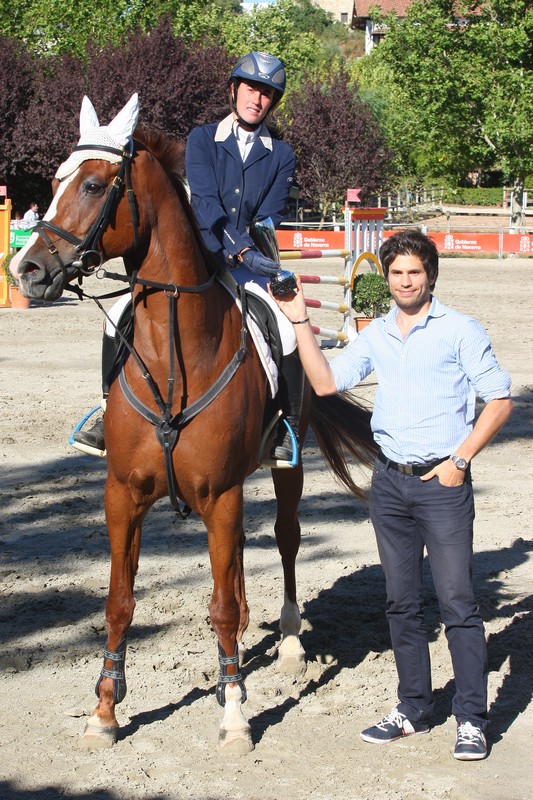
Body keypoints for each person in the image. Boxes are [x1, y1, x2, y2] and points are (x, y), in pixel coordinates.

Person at [269, 229, 512, 761]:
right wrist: (299, 321)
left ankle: (472, 718)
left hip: (442, 485)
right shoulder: (376, 333)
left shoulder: (460, 330)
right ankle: (413, 708)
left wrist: (460, 461)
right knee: (401, 604)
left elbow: (499, 399)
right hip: (390, 483)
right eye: (397, 273)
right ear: (388, 277)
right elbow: (327, 382)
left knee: (458, 604)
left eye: (415, 273)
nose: (406, 281)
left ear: (431, 276)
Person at [74, 51, 301, 466]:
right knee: (122, 312)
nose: (257, 99)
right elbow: (208, 205)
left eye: (267, 94)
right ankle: (107, 409)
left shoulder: (282, 154)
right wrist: (238, 245)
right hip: (199, 256)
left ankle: (285, 425)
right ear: (233, 90)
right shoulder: (202, 139)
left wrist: (255, 251)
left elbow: (272, 211)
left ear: (273, 102)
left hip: (248, 269)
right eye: (251, 88)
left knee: (285, 331)